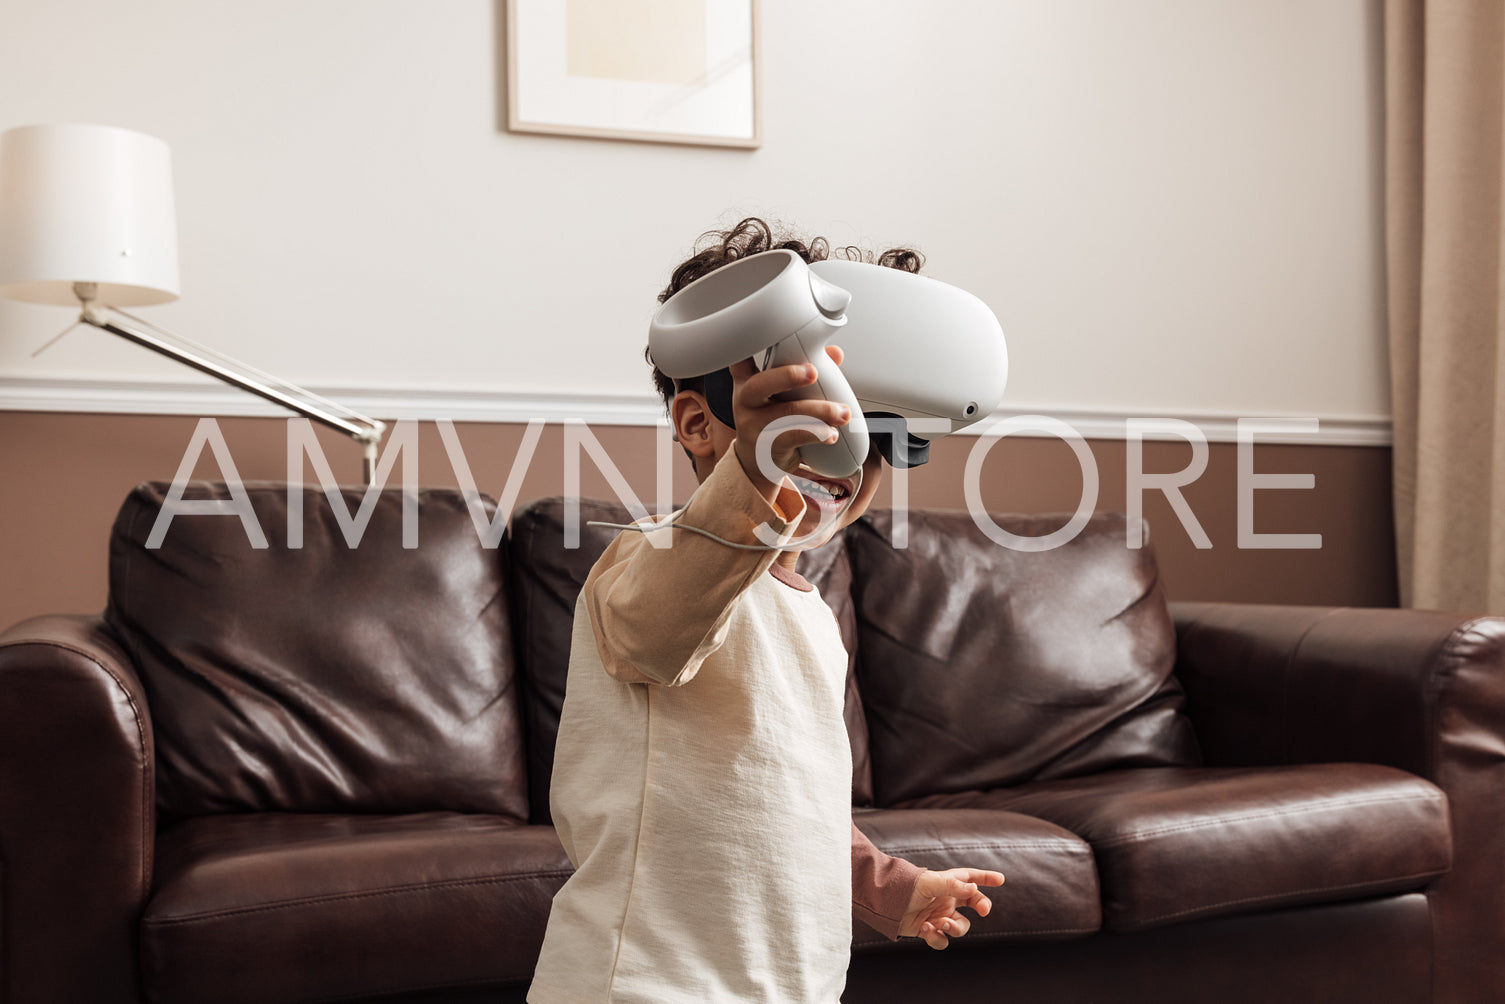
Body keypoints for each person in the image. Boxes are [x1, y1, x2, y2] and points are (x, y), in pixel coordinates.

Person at [528, 218, 1005, 1003]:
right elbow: (656, 632)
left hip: (789, 982)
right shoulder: (651, 557)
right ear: (697, 424)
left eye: (873, 435)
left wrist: (890, 888)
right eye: (799, 419)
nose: (837, 452)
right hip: (648, 979)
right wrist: (756, 467)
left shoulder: (814, 613)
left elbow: (796, 802)